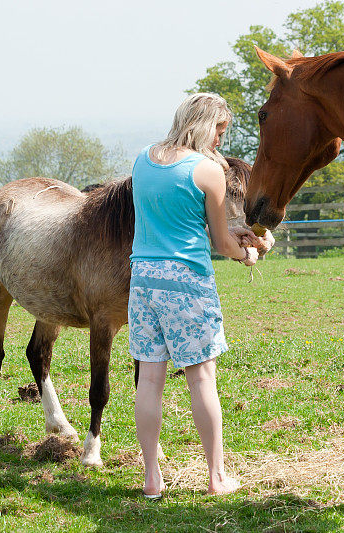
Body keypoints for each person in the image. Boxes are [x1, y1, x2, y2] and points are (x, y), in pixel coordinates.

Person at [129, 92, 260, 498]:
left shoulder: (143, 160)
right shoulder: (207, 171)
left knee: (149, 379)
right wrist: (249, 253)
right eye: (220, 130)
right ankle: (217, 477)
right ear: (206, 124)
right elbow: (222, 244)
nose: (221, 140)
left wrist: (229, 235)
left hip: (143, 278)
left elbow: (177, 223)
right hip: (187, 283)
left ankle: (152, 478)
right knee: (201, 378)